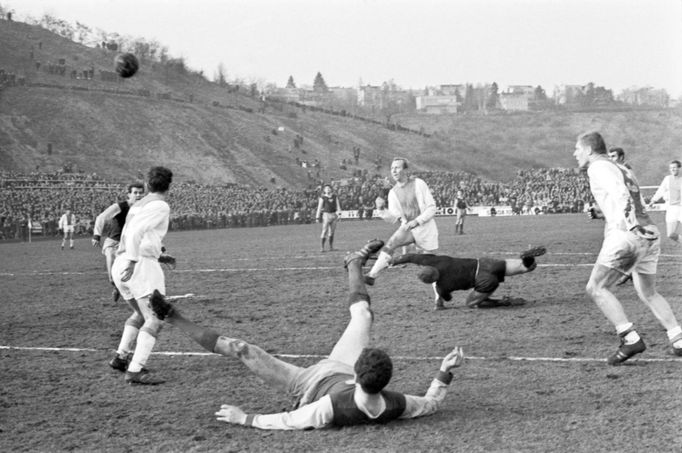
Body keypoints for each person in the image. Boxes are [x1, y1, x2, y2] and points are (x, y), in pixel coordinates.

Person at [148, 239, 466, 430]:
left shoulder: (332, 407)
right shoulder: (395, 404)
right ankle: (355, 261)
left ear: (359, 374)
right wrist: (444, 372)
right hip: (337, 369)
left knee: (242, 348)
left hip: (305, 382)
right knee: (364, 314)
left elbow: (289, 421)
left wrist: (244, 418)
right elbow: (429, 404)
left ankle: (172, 317)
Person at [573, 132, 682, 364]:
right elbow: (635, 201)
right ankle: (678, 339)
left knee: (596, 287)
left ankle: (629, 337)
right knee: (648, 292)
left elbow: (621, 195)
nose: (575, 154)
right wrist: (603, 213)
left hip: (628, 235)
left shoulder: (598, 167)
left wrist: (631, 226)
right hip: (650, 232)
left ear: (590, 150)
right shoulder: (623, 169)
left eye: (577, 149)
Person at [109, 166, 174, 384]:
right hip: (138, 266)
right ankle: (135, 370)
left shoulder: (138, 205)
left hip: (121, 263)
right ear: (169, 186)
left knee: (140, 313)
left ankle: (121, 357)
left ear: (147, 185)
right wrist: (136, 259)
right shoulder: (160, 205)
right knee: (155, 318)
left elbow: (134, 233)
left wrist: (157, 254)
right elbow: (137, 233)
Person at [391, 246, 546, 310]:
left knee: (471, 303)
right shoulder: (432, 261)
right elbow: (410, 256)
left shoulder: (442, 286)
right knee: (525, 268)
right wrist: (394, 261)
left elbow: (447, 299)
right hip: (485, 263)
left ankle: (505, 301)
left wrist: (439, 299)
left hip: (484, 281)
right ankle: (527, 259)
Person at [364, 157, 439, 288]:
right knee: (391, 244)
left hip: (426, 229)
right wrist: (381, 209)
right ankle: (372, 275)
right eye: (392, 168)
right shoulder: (393, 193)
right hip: (408, 228)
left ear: (405, 170)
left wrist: (417, 221)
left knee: (430, 268)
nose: (394, 170)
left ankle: (439, 300)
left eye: (397, 167)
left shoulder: (419, 183)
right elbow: (393, 218)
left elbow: (432, 208)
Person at [92, 182, 144, 301]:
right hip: (113, 243)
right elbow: (101, 217)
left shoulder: (143, 209)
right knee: (112, 276)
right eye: (135, 193)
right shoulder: (120, 206)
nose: (138, 195)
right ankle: (115, 286)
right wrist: (96, 235)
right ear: (129, 194)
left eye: (141, 193)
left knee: (133, 271)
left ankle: (136, 293)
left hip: (131, 245)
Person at [647, 160, 682, 244]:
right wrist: (653, 200)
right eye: (671, 168)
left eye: (674, 167)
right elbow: (661, 190)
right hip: (672, 209)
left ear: (679, 168)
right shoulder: (667, 179)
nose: (672, 169)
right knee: (670, 234)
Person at [315, 184, 342, 252]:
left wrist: (339, 214)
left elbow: (338, 206)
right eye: (326, 188)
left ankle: (331, 247)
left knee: (332, 232)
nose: (328, 189)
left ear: (331, 189)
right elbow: (319, 207)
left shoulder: (334, 197)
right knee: (324, 231)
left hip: (334, 214)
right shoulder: (323, 198)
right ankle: (322, 247)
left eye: (329, 188)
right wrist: (317, 217)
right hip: (326, 215)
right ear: (324, 190)